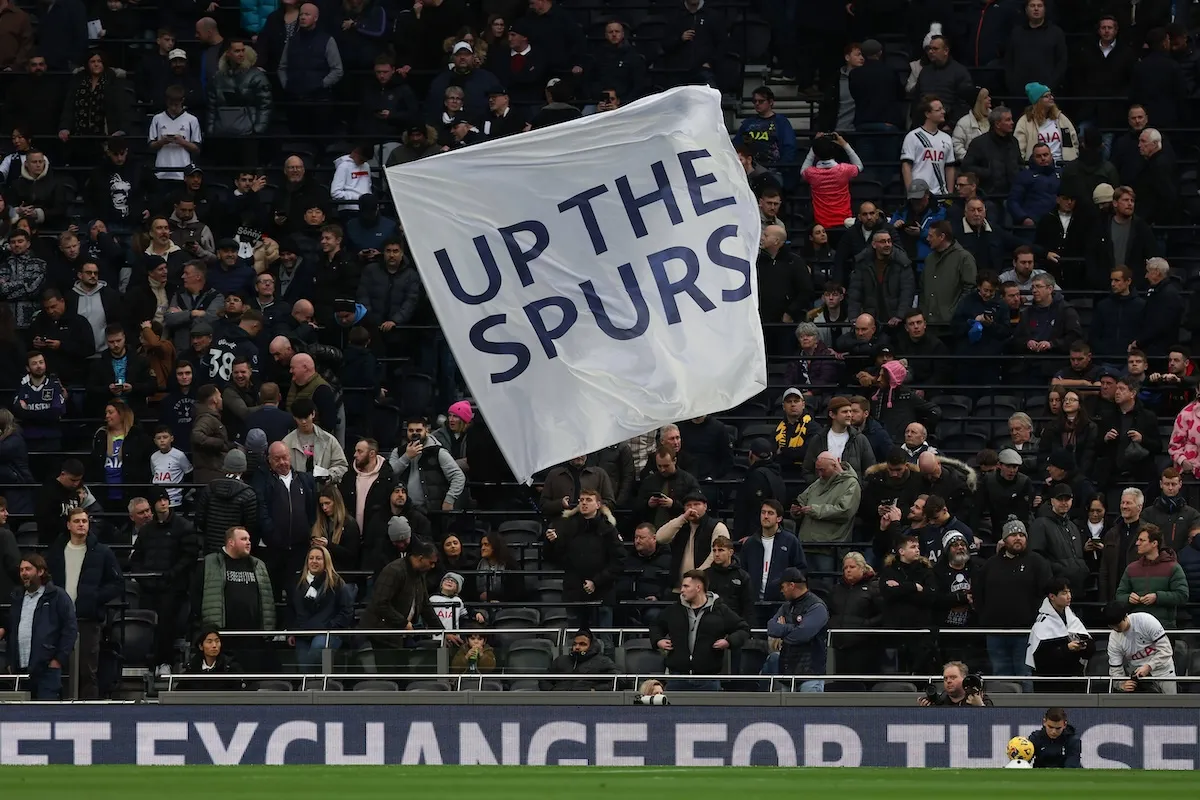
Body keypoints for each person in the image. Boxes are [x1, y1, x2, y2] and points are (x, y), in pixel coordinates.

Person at [45, 506, 122, 699]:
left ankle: (89, 716)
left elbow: (117, 583)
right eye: (77, 521)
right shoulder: (56, 551)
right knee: (58, 668)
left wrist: (95, 597)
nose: (81, 525)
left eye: (85, 521)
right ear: (68, 525)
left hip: (88, 618)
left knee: (87, 671)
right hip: (59, 619)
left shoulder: (102, 552)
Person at [974, 518, 1053, 684]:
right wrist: (986, 619)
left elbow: (1047, 594)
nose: (1018, 538)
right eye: (1013, 535)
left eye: (1021, 534)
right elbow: (979, 595)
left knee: (1024, 675)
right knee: (1000, 677)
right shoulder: (991, 565)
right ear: (1004, 539)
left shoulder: (1037, 562)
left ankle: (1027, 710)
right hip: (996, 633)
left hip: (1025, 633)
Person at [129, 489, 199, 675]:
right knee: (148, 625)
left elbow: (189, 555)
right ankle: (149, 663)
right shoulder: (146, 530)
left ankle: (165, 662)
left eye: (165, 499)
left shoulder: (183, 526)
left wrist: (172, 574)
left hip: (173, 587)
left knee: (167, 625)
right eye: (159, 500)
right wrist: (143, 577)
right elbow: (136, 558)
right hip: (149, 587)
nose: (163, 503)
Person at [650, 570, 750, 692]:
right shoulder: (673, 610)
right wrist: (658, 641)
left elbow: (743, 629)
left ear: (698, 587)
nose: (682, 590)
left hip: (708, 680)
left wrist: (729, 641)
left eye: (686, 586)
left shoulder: (720, 610)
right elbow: (655, 626)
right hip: (677, 679)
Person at [192, 526, 275, 667]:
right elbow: (196, 594)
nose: (248, 542)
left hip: (253, 636)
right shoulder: (210, 563)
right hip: (223, 635)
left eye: (249, 539)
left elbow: (268, 599)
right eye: (243, 539)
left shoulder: (258, 564)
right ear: (231, 542)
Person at [544, 489, 625, 630]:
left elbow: (619, 560)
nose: (584, 503)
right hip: (574, 592)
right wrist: (551, 542)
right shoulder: (567, 527)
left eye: (589, 500)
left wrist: (597, 581)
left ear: (598, 504)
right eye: (581, 500)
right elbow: (555, 557)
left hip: (602, 593)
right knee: (575, 638)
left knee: (604, 639)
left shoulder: (608, 529)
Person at [0, 553, 77, 699]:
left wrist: (58, 660)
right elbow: (12, 629)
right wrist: (11, 662)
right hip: (20, 670)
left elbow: (70, 630)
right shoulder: (17, 597)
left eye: (28, 569)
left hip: (47, 670)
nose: (24, 573)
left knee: (45, 715)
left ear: (40, 571)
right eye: (21, 570)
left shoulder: (57, 596)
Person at [360, 538, 441, 651]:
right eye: (431, 563)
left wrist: (443, 631)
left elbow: (425, 605)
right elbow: (380, 603)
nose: (433, 566)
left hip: (399, 634)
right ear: (421, 558)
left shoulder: (419, 574)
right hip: (382, 633)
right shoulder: (394, 571)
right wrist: (403, 623)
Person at [289, 544, 354, 672]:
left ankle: (323, 689)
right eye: (311, 558)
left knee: (317, 650)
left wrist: (331, 626)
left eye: (318, 558)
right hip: (302, 633)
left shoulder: (336, 583)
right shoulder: (297, 583)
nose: (314, 561)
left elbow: (346, 610)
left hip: (328, 632)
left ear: (326, 561)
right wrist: (291, 630)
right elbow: (291, 608)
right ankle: (308, 690)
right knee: (304, 670)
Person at [764, 568, 829, 692]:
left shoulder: (817, 606)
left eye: (782, 587)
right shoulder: (786, 606)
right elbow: (771, 628)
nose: (781, 591)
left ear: (791, 585)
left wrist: (783, 630)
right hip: (787, 675)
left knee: (808, 711)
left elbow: (802, 635)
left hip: (810, 676)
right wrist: (794, 628)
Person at [1025, 577, 1094, 693]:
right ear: (1052, 597)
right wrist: (1067, 648)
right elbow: (1041, 659)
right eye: (1064, 593)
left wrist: (1084, 646)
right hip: (1051, 685)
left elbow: (1091, 647)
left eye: (1069, 592)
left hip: (1074, 681)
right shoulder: (1042, 623)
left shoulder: (1072, 618)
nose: (1069, 596)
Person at [1116, 524, 1190, 628]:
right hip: (1136, 627)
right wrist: (1128, 598)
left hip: (1163, 627)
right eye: (1138, 540)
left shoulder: (1173, 567)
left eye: (1142, 540)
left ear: (1154, 543)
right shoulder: (1131, 568)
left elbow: (1182, 595)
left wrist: (1157, 597)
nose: (1137, 543)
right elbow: (1119, 595)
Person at [1104, 600, 1176, 694]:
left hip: (1163, 670)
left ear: (1125, 616)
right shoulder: (1114, 639)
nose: (1115, 629)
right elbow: (1115, 669)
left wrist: (1149, 666)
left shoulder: (1146, 621)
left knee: (1171, 704)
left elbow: (1166, 650)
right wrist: (1121, 684)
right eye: (1112, 626)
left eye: (1118, 625)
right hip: (1138, 676)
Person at [545, 628, 618, 692]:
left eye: (582, 644)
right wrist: (552, 691)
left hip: (587, 702)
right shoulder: (561, 660)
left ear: (591, 646)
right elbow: (544, 679)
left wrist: (595, 690)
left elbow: (619, 680)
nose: (577, 647)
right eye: (575, 644)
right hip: (558, 700)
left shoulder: (602, 661)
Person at [181, 626, 243, 691]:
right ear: (201, 646)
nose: (214, 645)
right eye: (209, 642)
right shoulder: (192, 668)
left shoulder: (230, 667)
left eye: (217, 641)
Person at [917, 661, 993, 707]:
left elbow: (994, 724)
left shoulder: (980, 698)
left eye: (953, 677)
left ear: (964, 678)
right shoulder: (940, 702)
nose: (948, 681)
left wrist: (981, 707)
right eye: (945, 678)